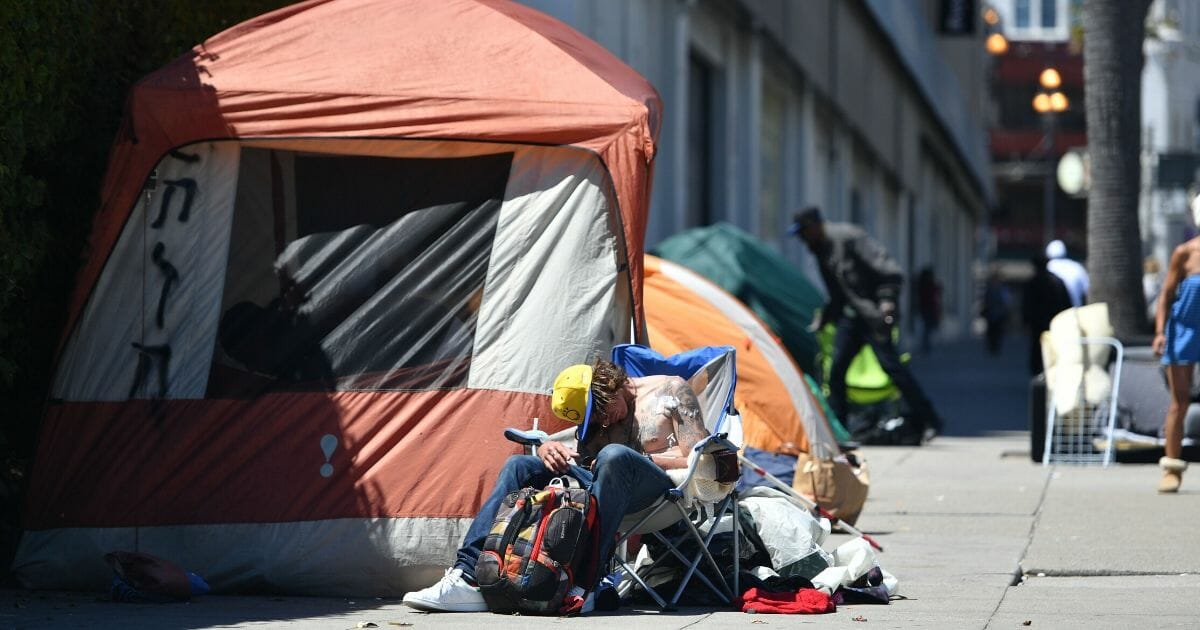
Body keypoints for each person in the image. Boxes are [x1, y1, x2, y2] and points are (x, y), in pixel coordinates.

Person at [401, 358, 707, 611]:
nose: (602, 422)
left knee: (614, 456)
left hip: (659, 491)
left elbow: (699, 459)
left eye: (601, 410)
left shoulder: (670, 391)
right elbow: (586, 465)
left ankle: (585, 584)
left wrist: (636, 458)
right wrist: (548, 448)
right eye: (594, 419)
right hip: (606, 488)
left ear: (609, 386)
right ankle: (468, 576)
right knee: (520, 465)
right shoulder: (602, 423)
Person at [788, 206, 943, 442]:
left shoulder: (849, 237)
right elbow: (839, 293)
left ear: (815, 226)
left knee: (893, 368)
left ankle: (929, 420)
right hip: (852, 318)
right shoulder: (821, 250)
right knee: (837, 371)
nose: (801, 239)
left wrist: (887, 301)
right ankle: (838, 430)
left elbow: (889, 271)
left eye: (803, 232)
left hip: (874, 317)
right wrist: (826, 317)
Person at [1152, 230, 1200, 493]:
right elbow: (1166, 295)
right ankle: (1171, 469)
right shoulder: (1185, 253)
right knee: (1179, 403)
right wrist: (1160, 332)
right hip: (1185, 330)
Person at [1020, 252, 1072, 375]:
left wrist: (1026, 321)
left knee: (1037, 350)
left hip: (1037, 323)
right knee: (1053, 349)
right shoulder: (1057, 281)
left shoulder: (1032, 283)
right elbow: (1066, 303)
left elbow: (1026, 304)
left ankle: (1038, 375)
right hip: (1055, 323)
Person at [1045, 239, 1089, 307]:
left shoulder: (1047, 267)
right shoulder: (1076, 266)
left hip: (1053, 313)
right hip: (1074, 312)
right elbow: (1087, 290)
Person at [981, 271, 1013, 356]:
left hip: (999, 314)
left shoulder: (1001, 289)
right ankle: (992, 347)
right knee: (992, 331)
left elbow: (1006, 301)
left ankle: (996, 347)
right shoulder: (991, 289)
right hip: (992, 313)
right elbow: (986, 301)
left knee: (998, 331)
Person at [915, 266, 942, 355]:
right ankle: (926, 346)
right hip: (929, 309)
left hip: (925, 308)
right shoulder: (928, 284)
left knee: (927, 329)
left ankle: (926, 346)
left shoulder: (922, 284)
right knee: (928, 329)